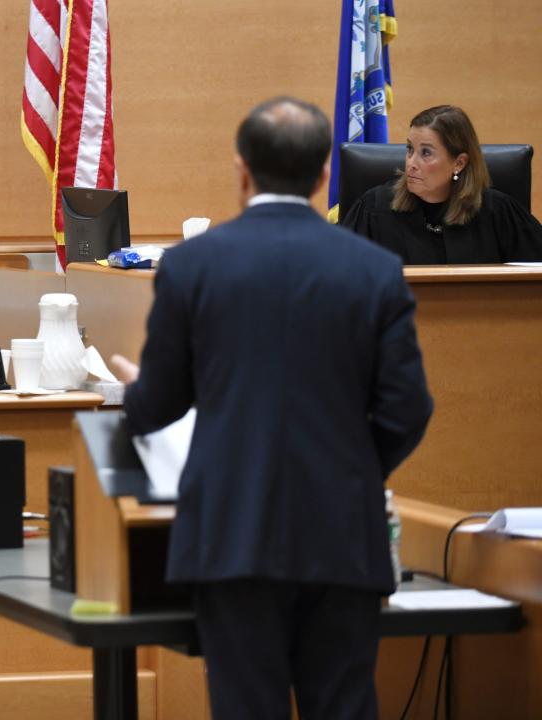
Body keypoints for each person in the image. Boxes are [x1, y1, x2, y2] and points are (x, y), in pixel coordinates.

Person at [110, 97, 433, 719]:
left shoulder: (192, 265)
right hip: (343, 533)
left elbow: (158, 406)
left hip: (233, 535)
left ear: (241, 171)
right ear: (320, 179)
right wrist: (353, 473)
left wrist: (137, 388)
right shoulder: (376, 269)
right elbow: (408, 409)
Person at [342, 105, 542, 263]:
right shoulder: (374, 210)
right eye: (410, 149)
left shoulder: (498, 213)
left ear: (459, 163)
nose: (411, 163)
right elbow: (337, 274)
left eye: (426, 153)